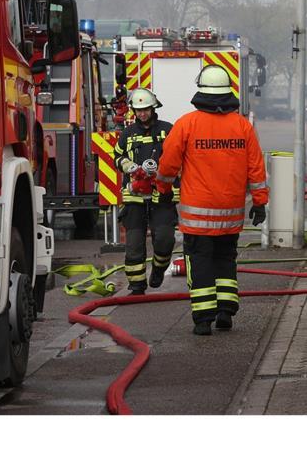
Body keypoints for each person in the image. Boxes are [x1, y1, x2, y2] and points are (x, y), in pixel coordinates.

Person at [155, 65, 268, 335]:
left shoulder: (186, 124)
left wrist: (164, 190)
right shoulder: (242, 126)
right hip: (230, 214)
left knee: (200, 262)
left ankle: (204, 319)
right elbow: (256, 167)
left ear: (201, 91)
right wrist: (260, 202)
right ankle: (225, 311)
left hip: (198, 217)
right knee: (226, 259)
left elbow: (168, 165)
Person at [113, 87, 177, 295]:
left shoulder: (168, 130)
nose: (142, 114)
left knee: (165, 239)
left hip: (162, 194)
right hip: (135, 195)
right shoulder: (128, 134)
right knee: (134, 244)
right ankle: (137, 285)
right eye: (138, 110)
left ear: (153, 108)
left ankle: (158, 269)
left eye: (146, 109)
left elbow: (179, 156)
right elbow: (117, 156)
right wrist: (130, 166)